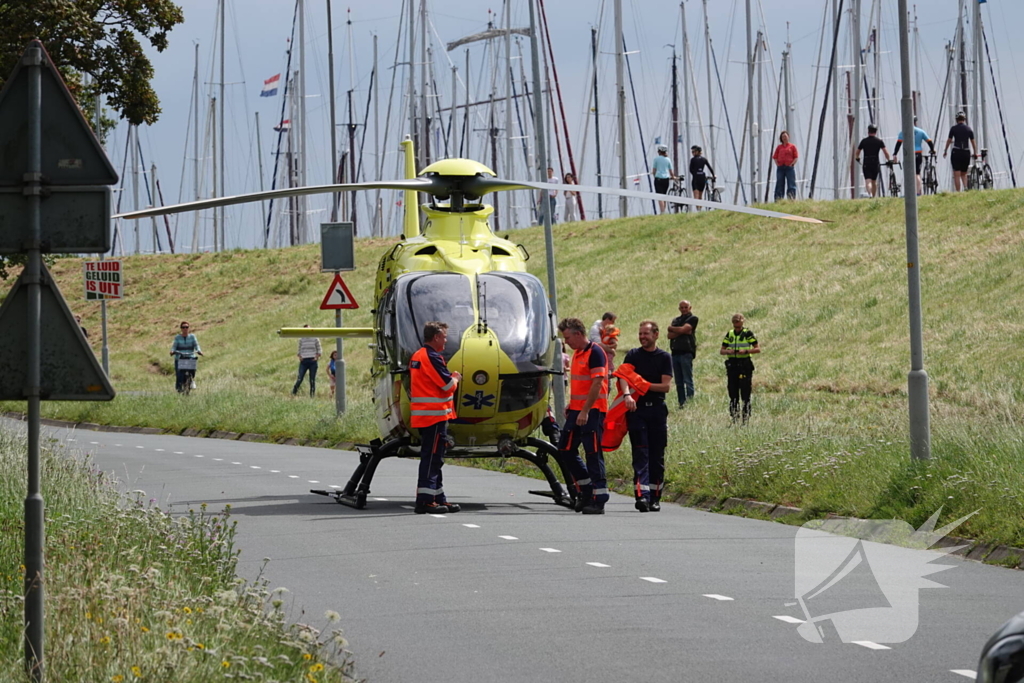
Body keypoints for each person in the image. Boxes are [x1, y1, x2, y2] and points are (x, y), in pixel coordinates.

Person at [557, 317, 609, 515]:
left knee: (593, 453)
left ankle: (599, 498)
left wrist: (585, 410)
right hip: (578, 410)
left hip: (592, 411)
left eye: (568, 337)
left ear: (578, 334)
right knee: (565, 449)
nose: (566, 342)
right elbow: (582, 384)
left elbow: (597, 384)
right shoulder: (578, 353)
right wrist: (574, 405)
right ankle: (586, 489)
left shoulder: (595, 352)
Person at [409, 321, 462, 514]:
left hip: (428, 416)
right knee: (432, 459)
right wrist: (455, 377)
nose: (446, 340)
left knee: (436, 458)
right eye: (445, 336)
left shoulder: (418, 355)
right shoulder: (431, 357)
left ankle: (438, 497)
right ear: (437, 337)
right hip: (433, 417)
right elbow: (447, 385)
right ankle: (425, 501)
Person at [620, 321, 673, 512]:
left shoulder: (664, 357)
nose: (642, 337)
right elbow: (623, 377)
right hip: (637, 411)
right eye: (640, 333)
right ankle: (641, 496)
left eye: (646, 334)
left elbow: (665, 386)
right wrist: (627, 394)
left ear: (656, 335)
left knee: (656, 456)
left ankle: (655, 497)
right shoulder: (633, 355)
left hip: (657, 410)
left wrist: (642, 385)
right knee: (640, 453)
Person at [720, 313, 760, 425]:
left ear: (742, 321)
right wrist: (729, 351)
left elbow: (757, 348)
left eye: (738, 322)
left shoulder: (747, 333)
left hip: (744, 365)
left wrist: (746, 351)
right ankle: (734, 417)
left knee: (745, 393)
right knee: (733, 393)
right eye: (734, 323)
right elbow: (722, 350)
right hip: (732, 365)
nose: (736, 325)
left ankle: (746, 418)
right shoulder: (730, 334)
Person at [667, 300, 698, 408]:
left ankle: (690, 402)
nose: (684, 309)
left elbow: (687, 330)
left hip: (686, 352)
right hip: (675, 353)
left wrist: (674, 329)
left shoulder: (693, 319)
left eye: (686, 307)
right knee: (678, 381)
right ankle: (681, 403)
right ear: (679, 308)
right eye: (682, 307)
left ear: (690, 307)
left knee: (687, 379)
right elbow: (669, 336)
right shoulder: (676, 320)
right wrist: (681, 331)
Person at [893, 116, 936, 195]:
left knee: (909, 173)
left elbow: (898, 144)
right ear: (915, 122)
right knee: (917, 173)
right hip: (918, 153)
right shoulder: (921, 131)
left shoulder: (903, 132)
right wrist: (932, 150)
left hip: (908, 154)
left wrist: (895, 154)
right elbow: (929, 142)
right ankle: (918, 192)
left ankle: (909, 192)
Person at [943, 112, 978, 192]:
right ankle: (965, 187)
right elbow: (973, 142)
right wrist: (975, 152)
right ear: (964, 119)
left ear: (956, 120)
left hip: (957, 151)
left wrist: (945, 150)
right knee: (964, 173)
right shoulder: (969, 129)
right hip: (966, 152)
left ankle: (958, 191)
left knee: (956, 174)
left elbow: (949, 140)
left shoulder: (953, 128)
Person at [855, 124, 892, 198]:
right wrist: (889, 159)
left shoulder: (864, 141)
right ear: (876, 132)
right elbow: (885, 152)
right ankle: (873, 197)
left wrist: (857, 158)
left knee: (868, 180)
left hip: (866, 162)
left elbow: (857, 152)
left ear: (868, 131)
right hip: (875, 162)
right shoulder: (879, 141)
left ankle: (870, 194)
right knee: (874, 181)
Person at [169, 321, 203, 393]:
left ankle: (191, 380)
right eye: (183, 327)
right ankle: (179, 389)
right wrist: (172, 351)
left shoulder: (192, 337)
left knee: (193, 369)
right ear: (181, 329)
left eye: (186, 327)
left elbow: (196, 345)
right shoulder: (177, 338)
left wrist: (199, 351)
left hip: (190, 356)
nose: (185, 329)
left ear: (189, 328)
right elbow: (174, 346)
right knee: (179, 374)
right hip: (180, 357)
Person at [292, 324, 321, 397]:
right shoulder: (301, 339)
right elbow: (299, 349)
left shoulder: (315, 338)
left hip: (312, 361)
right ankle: (294, 392)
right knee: (300, 378)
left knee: (312, 379)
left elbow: (319, 349)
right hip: (304, 361)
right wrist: (300, 357)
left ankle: (312, 395)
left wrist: (316, 357)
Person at [772, 131, 799, 201]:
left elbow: (796, 157)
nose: (784, 138)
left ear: (788, 137)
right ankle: (778, 199)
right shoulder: (779, 147)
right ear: (781, 138)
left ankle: (791, 198)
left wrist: (792, 164)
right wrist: (777, 164)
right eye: (783, 136)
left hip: (789, 168)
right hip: (781, 168)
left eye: (785, 136)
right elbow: (775, 157)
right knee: (780, 183)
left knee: (791, 183)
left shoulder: (792, 147)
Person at [651, 144, 676, 214]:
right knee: (664, 195)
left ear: (659, 151)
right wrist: (673, 176)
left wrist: (654, 175)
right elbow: (671, 171)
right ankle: (664, 210)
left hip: (658, 178)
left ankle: (662, 211)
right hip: (666, 179)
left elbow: (654, 170)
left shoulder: (656, 159)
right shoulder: (668, 159)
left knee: (659, 196)